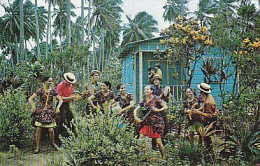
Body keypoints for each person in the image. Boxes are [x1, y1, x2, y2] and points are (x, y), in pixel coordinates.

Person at [28, 76, 63, 154]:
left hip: (49, 112)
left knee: (51, 130)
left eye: (51, 81)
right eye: (49, 81)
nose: (51, 82)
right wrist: (33, 106)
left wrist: (58, 107)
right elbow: (30, 98)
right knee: (38, 129)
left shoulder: (53, 91)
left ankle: (53, 143)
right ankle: (37, 147)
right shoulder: (40, 90)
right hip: (41, 112)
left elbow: (60, 100)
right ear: (45, 82)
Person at [134, 85, 168, 159]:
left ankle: (164, 157)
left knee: (158, 142)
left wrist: (158, 110)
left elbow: (165, 107)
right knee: (141, 138)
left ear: (151, 91)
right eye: (145, 89)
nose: (145, 91)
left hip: (157, 122)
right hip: (147, 122)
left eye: (147, 89)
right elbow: (136, 109)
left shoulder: (156, 98)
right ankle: (144, 156)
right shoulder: (144, 101)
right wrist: (136, 117)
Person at [193, 83, 219, 151]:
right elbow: (204, 105)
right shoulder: (207, 97)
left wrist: (199, 112)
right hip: (206, 120)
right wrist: (197, 110)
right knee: (201, 135)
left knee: (206, 137)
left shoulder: (209, 102)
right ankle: (201, 151)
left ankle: (209, 154)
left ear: (202, 91)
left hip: (210, 121)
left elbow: (210, 115)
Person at [56, 72, 76, 140]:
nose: (70, 83)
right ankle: (58, 136)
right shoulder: (60, 85)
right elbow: (59, 97)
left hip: (67, 104)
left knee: (71, 118)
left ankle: (71, 134)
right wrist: (69, 98)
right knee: (61, 120)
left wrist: (73, 97)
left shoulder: (71, 86)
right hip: (61, 104)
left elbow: (71, 94)